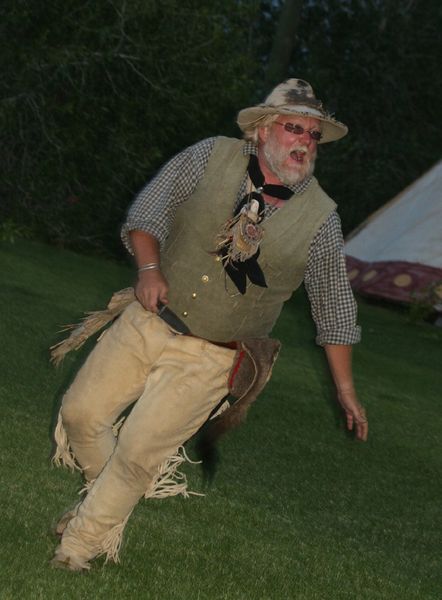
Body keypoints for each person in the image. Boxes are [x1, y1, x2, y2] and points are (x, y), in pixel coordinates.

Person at [50, 78, 368, 571]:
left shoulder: (321, 218)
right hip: (148, 320)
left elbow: (334, 306)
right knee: (80, 414)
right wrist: (149, 271)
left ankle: (78, 546)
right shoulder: (207, 156)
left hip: (216, 354)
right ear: (262, 131)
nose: (305, 141)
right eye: (294, 128)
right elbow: (147, 214)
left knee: (137, 453)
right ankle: (105, 501)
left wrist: (346, 390)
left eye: (313, 135)